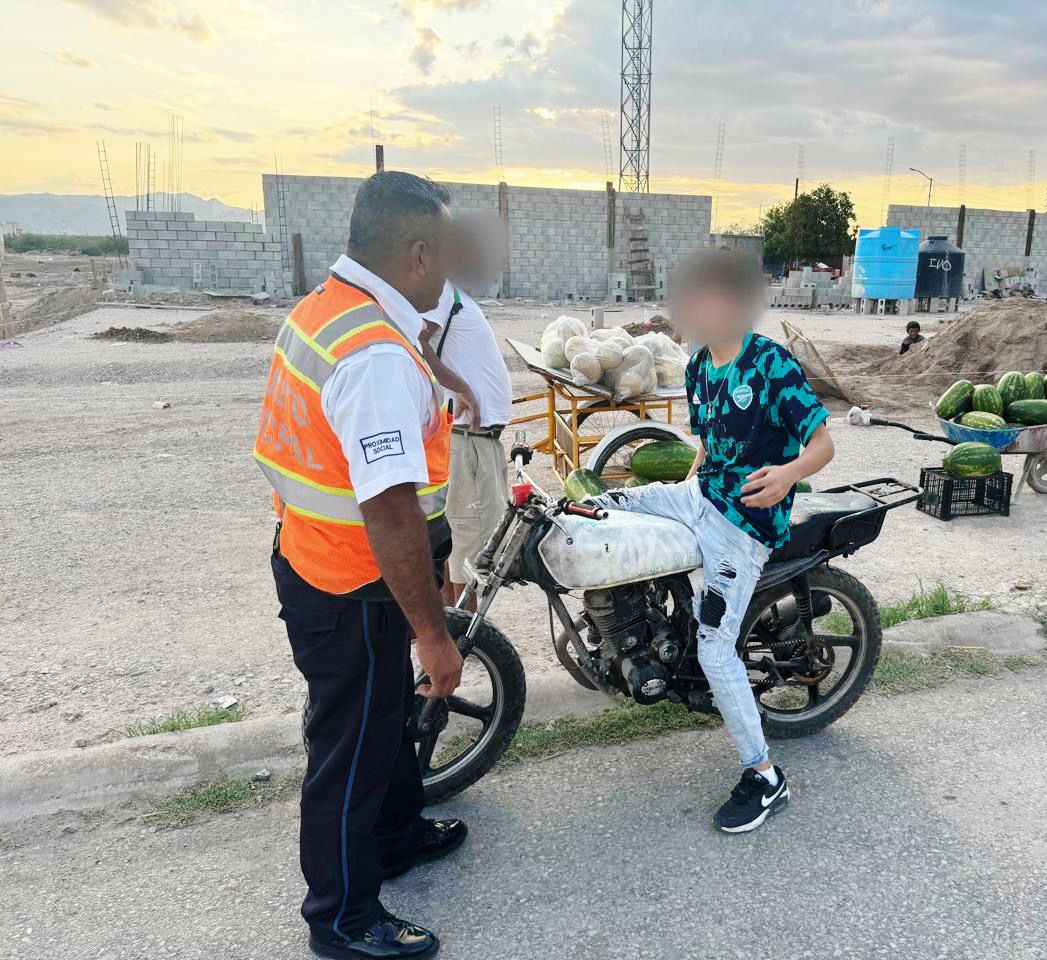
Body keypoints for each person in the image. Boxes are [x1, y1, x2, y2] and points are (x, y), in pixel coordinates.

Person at [254, 171, 467, 960]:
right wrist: (433, 634)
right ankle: (342, 916)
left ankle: (396, 834)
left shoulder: (326, 310)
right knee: (349, 743)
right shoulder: (373, 353)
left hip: (315, 555)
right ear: (417, 252)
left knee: (383, 719)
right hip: (352, 582)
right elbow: (389, 508)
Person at [586, 248, 834, 834]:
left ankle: (765, 776)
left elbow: (823, 444)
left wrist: (788, 476)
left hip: (746, 522)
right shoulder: (699, 365)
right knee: (606, 506)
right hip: (701, 496)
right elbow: (706, 446)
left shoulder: (770, 364)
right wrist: (684, 490)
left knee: (715, 648)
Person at [419, 216, 512, 609]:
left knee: (462, 538)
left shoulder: (452, 295)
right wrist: (459, 386)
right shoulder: (441, 292)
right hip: (468, 440)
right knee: (471, 544)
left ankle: (452, 622)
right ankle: (465, 631)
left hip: (474, 439)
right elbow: (416, 340)